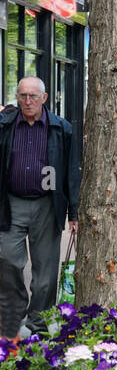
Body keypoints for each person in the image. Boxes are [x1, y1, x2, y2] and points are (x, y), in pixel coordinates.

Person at [0, 77, 82, 339]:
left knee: (45, 273)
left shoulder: (62, 128)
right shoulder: (4, 126)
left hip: (48, 204)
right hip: (10, 204)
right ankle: (15, 317)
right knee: (9, 264)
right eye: (23, 95)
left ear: (44, 98)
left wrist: (74, 212)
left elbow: (71, 172)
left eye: (33, 96)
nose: (27, 101)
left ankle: (38, 326)